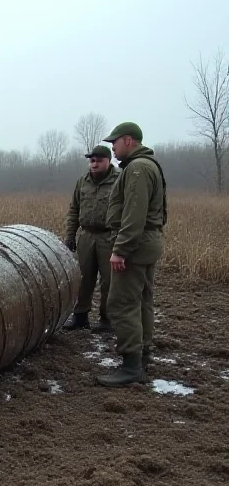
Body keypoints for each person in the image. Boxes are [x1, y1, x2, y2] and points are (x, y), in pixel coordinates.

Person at [97, 122, 167, 387]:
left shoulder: (137, 169)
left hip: (135, 246)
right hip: (147, 241)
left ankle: (130, 366)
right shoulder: (149, 165)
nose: (112, 148)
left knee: (122, 303)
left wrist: (120, 250)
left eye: (114, 142)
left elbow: (134, 213)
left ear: (128, 141)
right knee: (142, 301)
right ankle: (142, 355)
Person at [62, 145, 119, 333]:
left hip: (109, 236)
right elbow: (74, 210)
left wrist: (121, 241)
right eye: (92, 161)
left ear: (108, 161)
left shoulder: (119, 180)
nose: (94, 164)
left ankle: (107, 319)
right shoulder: (82, 182)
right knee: (83, 278)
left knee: (109, 280)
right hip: (86, 235)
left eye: (99, 160)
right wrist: (70, 236)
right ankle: (80, 316)